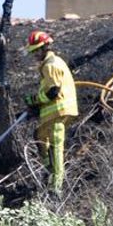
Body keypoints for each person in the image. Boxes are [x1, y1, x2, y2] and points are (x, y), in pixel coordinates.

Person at [23, 30, 78, 192]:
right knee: (39, 136)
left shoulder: (51, 65)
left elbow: (53, 92)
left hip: (59, 111)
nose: (34, 55)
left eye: (35, 51)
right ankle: (48, 171)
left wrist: (34, 100)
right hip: (53, 112)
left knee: (56, 146)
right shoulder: (51, 63)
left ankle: (56, 186)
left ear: (43, 48)